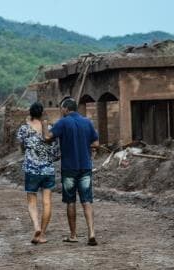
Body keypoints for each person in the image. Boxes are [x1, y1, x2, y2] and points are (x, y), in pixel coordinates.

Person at [42, 97, 99, 246]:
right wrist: (87, 148)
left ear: (66, 109)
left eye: (61, 108)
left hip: (69, 168)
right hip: (85, 167)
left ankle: (73, 235)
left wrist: (44, 124)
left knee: (71, 201)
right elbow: (96, 143)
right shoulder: (87, 122)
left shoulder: (63, 122)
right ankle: (91, 233)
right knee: (87, 200)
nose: (61, 111)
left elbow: (47, 137)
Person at [17, 102, 59, 244]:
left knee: (32, 201)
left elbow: (22, 146)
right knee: (47, 202)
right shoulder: (50, 129)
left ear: (30, 114)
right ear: (42, 114)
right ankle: (43, 233)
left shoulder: (24, 129)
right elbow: (55, 152)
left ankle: (36, 227)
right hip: (48, 170)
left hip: (31, 170)